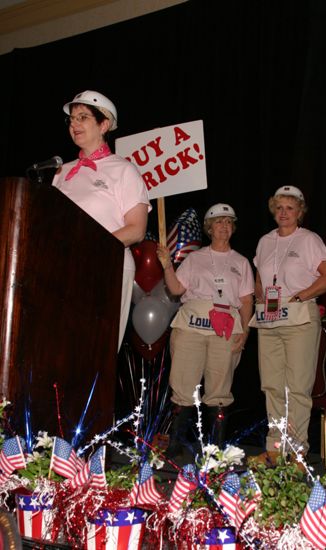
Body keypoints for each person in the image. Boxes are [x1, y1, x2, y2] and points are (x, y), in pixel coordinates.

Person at [52, 90, 151, 348]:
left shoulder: (124, 170)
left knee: (96, 350)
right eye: (72, 119)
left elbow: (137, 230)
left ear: (104, 124)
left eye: (83, 117)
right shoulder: (61, 172)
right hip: (65, 268)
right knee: (61, 347)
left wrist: (89, 246)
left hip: (107, 266)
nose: (74, 124)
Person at [157, 203, 254, 456]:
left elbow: (246, 300)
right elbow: (176, 289)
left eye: (229, 222)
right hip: (191, 325)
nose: (224, 226)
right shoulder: (195, 258)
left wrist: (245, 330)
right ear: (209, 228)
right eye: (219, 222)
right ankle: (176, 444)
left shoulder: (241, 262)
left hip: (226, 328)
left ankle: (214, 447)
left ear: (233, 228)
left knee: (220, 388)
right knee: (182, 384)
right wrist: (167, 265)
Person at [251, 185, 326, 465]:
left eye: (290, 207)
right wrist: (262, 300)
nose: (283, 212)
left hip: (299, 316)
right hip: (270, 319)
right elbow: (260, 280)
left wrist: (300, 295)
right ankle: (276, 448)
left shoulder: (309, 239)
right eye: (279, 207)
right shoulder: (265, 241)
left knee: (297, 387)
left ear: (300, 212)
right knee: (272, 385)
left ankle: (298, 451)